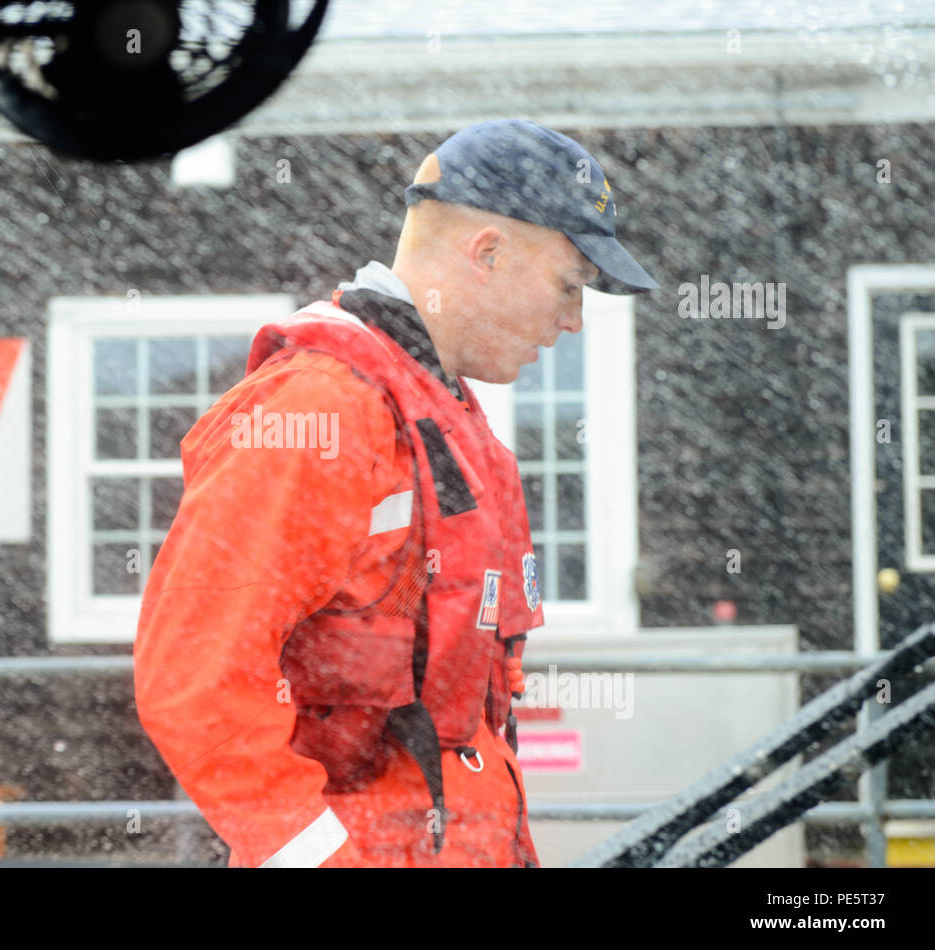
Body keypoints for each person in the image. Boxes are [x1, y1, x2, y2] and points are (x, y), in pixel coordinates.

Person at [133, 119, 657, 867]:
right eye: (569, 286)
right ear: (487, 252)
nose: (573, 321)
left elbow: (473, 733)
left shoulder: (450, 426)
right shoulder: (317, 412)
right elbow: (196, 680)